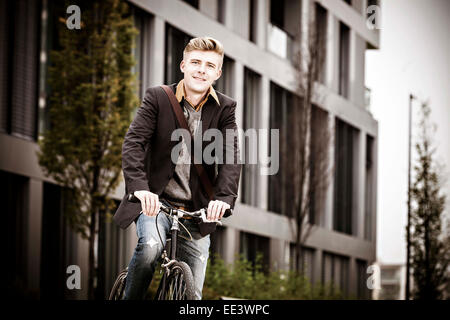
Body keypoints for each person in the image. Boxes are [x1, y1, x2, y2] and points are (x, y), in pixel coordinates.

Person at [113, 36, 241, 300]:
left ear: (217, 73)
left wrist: (223, 199)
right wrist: (140, 190)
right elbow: (134, 143)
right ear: (183, 65)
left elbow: (231, 157)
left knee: (192, 295)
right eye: (195, 62)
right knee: (149, 248)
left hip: (196, 209)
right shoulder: (158, 98)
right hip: (155, 203)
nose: (201, 69)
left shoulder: (225, 109)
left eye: (209, 65)